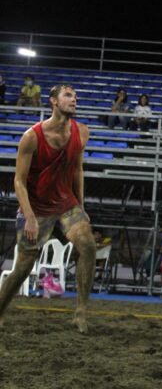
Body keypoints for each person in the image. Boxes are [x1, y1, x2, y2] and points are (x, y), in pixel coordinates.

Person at [0, 84, 96, 333]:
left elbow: (77, 170)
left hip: (65, 204)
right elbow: (18, 181)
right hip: (36, 208)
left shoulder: (82, 132)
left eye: (75, 95)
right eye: (68, 95)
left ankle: (80, 313)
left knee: (87, 243)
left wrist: (81, 207)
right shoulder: (32, 137)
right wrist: (29, 217)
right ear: (53, 101)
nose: (74, 99)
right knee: (23, 267)